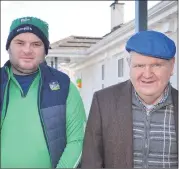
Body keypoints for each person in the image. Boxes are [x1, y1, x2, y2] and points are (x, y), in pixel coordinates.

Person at [81, 30, 178, 168]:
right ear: (129, 64)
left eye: (157, 65)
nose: (147, 74)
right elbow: (91, 162)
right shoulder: (103, 102)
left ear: (172, 66)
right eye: (139, 65)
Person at [0, 16, 86, 168]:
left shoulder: (64, 86)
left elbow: (78, 140)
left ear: (45, 50)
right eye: (20, 43)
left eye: (36, 44)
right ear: (8, 47)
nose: (27, 50)